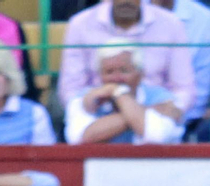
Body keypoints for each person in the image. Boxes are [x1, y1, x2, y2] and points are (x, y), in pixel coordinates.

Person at [58, 0, 195, 118]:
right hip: (96, 120)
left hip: (158, 119)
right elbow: (70, 91)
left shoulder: (171, 24)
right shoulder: (80, 24)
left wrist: (160, 116)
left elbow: (183, 89)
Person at [64, 43, 184, 144]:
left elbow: (156, 136)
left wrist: (119, 95)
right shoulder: (84, 98)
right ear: (100, 76)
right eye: (109, 72)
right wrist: (142, 111)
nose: (117, 78)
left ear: (140, 74)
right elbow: (80, 139)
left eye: (124, 70)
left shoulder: (163, 98)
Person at [148, 0, 210, 134]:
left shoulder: (204, 19)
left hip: (183, 119)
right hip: (125, 115)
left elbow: (201, 88)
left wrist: (172, 112)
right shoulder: (126, 10)